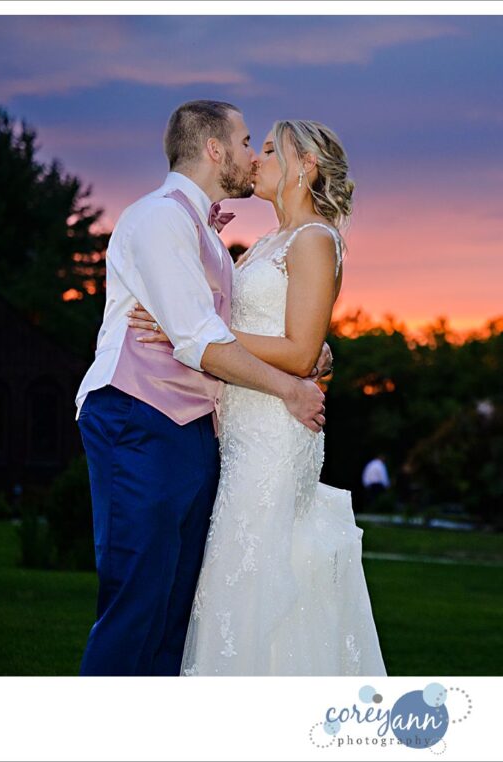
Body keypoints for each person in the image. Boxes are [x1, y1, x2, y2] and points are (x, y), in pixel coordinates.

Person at [73, 101, 328, 676]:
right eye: (244, 143)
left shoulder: (207, 234)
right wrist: (289, 389)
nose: (250, 156)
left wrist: (315, 353)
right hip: (139, 417)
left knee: (173, 619)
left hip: (193, 433)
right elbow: (197, 339)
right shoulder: (161, 217)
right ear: (213, 149)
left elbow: (253, 329)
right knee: (135, 605)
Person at [130, 120, 386, 676]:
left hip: (277, 429)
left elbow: (299, 352)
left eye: (271, 149)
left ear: (307, 166)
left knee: (254, 572)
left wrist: (187, 329)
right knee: (235, 571)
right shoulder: (266, 243)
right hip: (243, 428)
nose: (258, 159)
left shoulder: (316, 238)